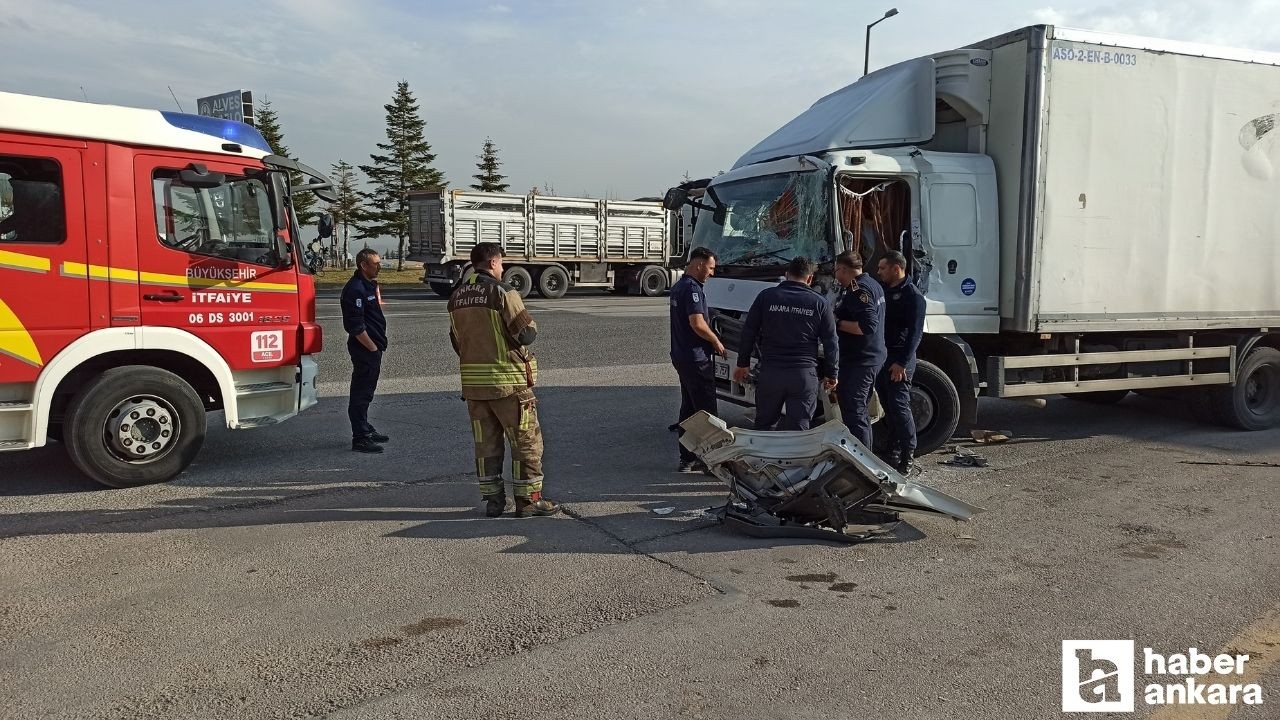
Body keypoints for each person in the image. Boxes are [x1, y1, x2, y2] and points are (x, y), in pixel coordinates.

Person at [448, 242, 558, 518]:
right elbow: (526, 334)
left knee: (486, 445)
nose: (503, 267)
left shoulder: (456, 296)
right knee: (526, 442)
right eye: (501, 263)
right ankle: (528, 501)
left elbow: (456, 341)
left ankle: (494, 501)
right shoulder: (502, 292)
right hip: (508, 384)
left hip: (474, 386)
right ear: (494, 263)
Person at [733, 256, 839, 431]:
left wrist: (742, 363)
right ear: (810, 278)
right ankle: (796, 459)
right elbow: (831, 341)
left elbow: (749, 331)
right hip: (803, 375)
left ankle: (763, 459)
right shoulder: (820, 303)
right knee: (799, 428)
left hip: (771, 373)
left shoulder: (766, 297)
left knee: (764, 425)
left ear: (786, 274)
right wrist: (832, 374)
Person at [669, 247, 725, 472]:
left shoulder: (678, 286)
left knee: (689, 409)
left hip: (681, 356)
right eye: (710, 268)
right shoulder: (692, 290)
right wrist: (716, 341)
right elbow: (697, 323)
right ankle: (711, 461)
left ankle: (687, 458)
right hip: (696, 358)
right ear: (699, 264)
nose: (711, 273)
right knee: (707, 413)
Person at [875, 250, 927, 474]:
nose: (878, 272)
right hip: (883, 357)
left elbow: (916, 334)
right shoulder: (884, 291)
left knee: (899, 407)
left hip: (899, 359)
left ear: (897, 268)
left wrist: (902, 363)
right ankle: (893, 450)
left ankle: (908, 455)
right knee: (888, 407)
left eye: (882, 268)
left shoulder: (913, 296)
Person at [832, 250, 886, 449]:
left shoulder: (858, 290)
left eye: (836, 270)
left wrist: (836, 322)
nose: (835, 275)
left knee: (855, 411)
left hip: (862, 359)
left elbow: (867, 326)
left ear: (844, 269)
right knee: (856, 409)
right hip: (866, 357)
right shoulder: (872, 284)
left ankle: (863, 461)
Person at [341, 248, 389, 454]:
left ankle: (365, 427)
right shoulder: (355, 289)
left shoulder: (369, 285)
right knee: (361, 394)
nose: (379, 266)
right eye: (375, 263)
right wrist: (372, 347)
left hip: (372, 348)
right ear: (363, 265)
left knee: (367, 393)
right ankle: (360, 437)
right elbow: (355, 326)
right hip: (365, 349)